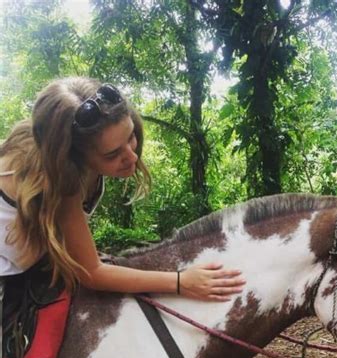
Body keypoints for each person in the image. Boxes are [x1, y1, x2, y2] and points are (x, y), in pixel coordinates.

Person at [0, 77, 245, 302]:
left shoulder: (83, 159)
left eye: (130, 138)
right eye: (112, 154)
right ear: (72, 157)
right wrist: (181, 281)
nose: (131, 156)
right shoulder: (60, 180)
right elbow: (91, 273)